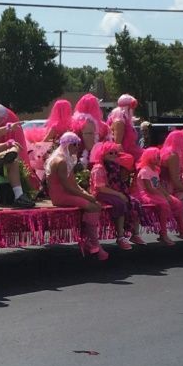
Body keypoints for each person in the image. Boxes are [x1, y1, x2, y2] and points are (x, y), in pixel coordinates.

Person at [45, 131, 108, 260]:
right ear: (68, 145)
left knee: (95, 205)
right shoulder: (61, 161)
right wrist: (86, 197)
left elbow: (73, 183)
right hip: (60, 196)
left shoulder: (66, 159)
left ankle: (87, 240)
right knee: (93, 207)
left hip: (67, 193)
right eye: (75, 144)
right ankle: (95, 244)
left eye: (78, 144)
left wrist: (86, 194)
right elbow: (67, 187)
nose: (77, 147)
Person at [89, 141, 147, 250]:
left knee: (135, 202)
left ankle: (135, 234)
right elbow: (100, 188)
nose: (114, 155)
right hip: (101, 194)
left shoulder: (115, 166)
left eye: (116, 153)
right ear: (103, 154)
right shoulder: (99, 168)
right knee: (120, 203)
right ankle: (120, 237)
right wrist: (119, 194)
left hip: (112, 192)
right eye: (110, 153)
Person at [134, 146, 183, 247]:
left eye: (159, 157)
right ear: (150, 158)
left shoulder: (155, 170)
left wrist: (167, 195)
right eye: (157, 157)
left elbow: (157, 185)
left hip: (156, 193)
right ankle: (164, 233)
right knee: (164, 204)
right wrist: (163, 196)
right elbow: (149, 189)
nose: (159, 159)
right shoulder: (145, 171)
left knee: (177, 203)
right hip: (146, 194)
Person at [108, 94, 143, 161]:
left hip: (132, 153)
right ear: (127, 108)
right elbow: (117, 144)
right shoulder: (119, 122)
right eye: (131, 107)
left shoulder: (125, 121)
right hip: (127, 157)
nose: (133, 110)